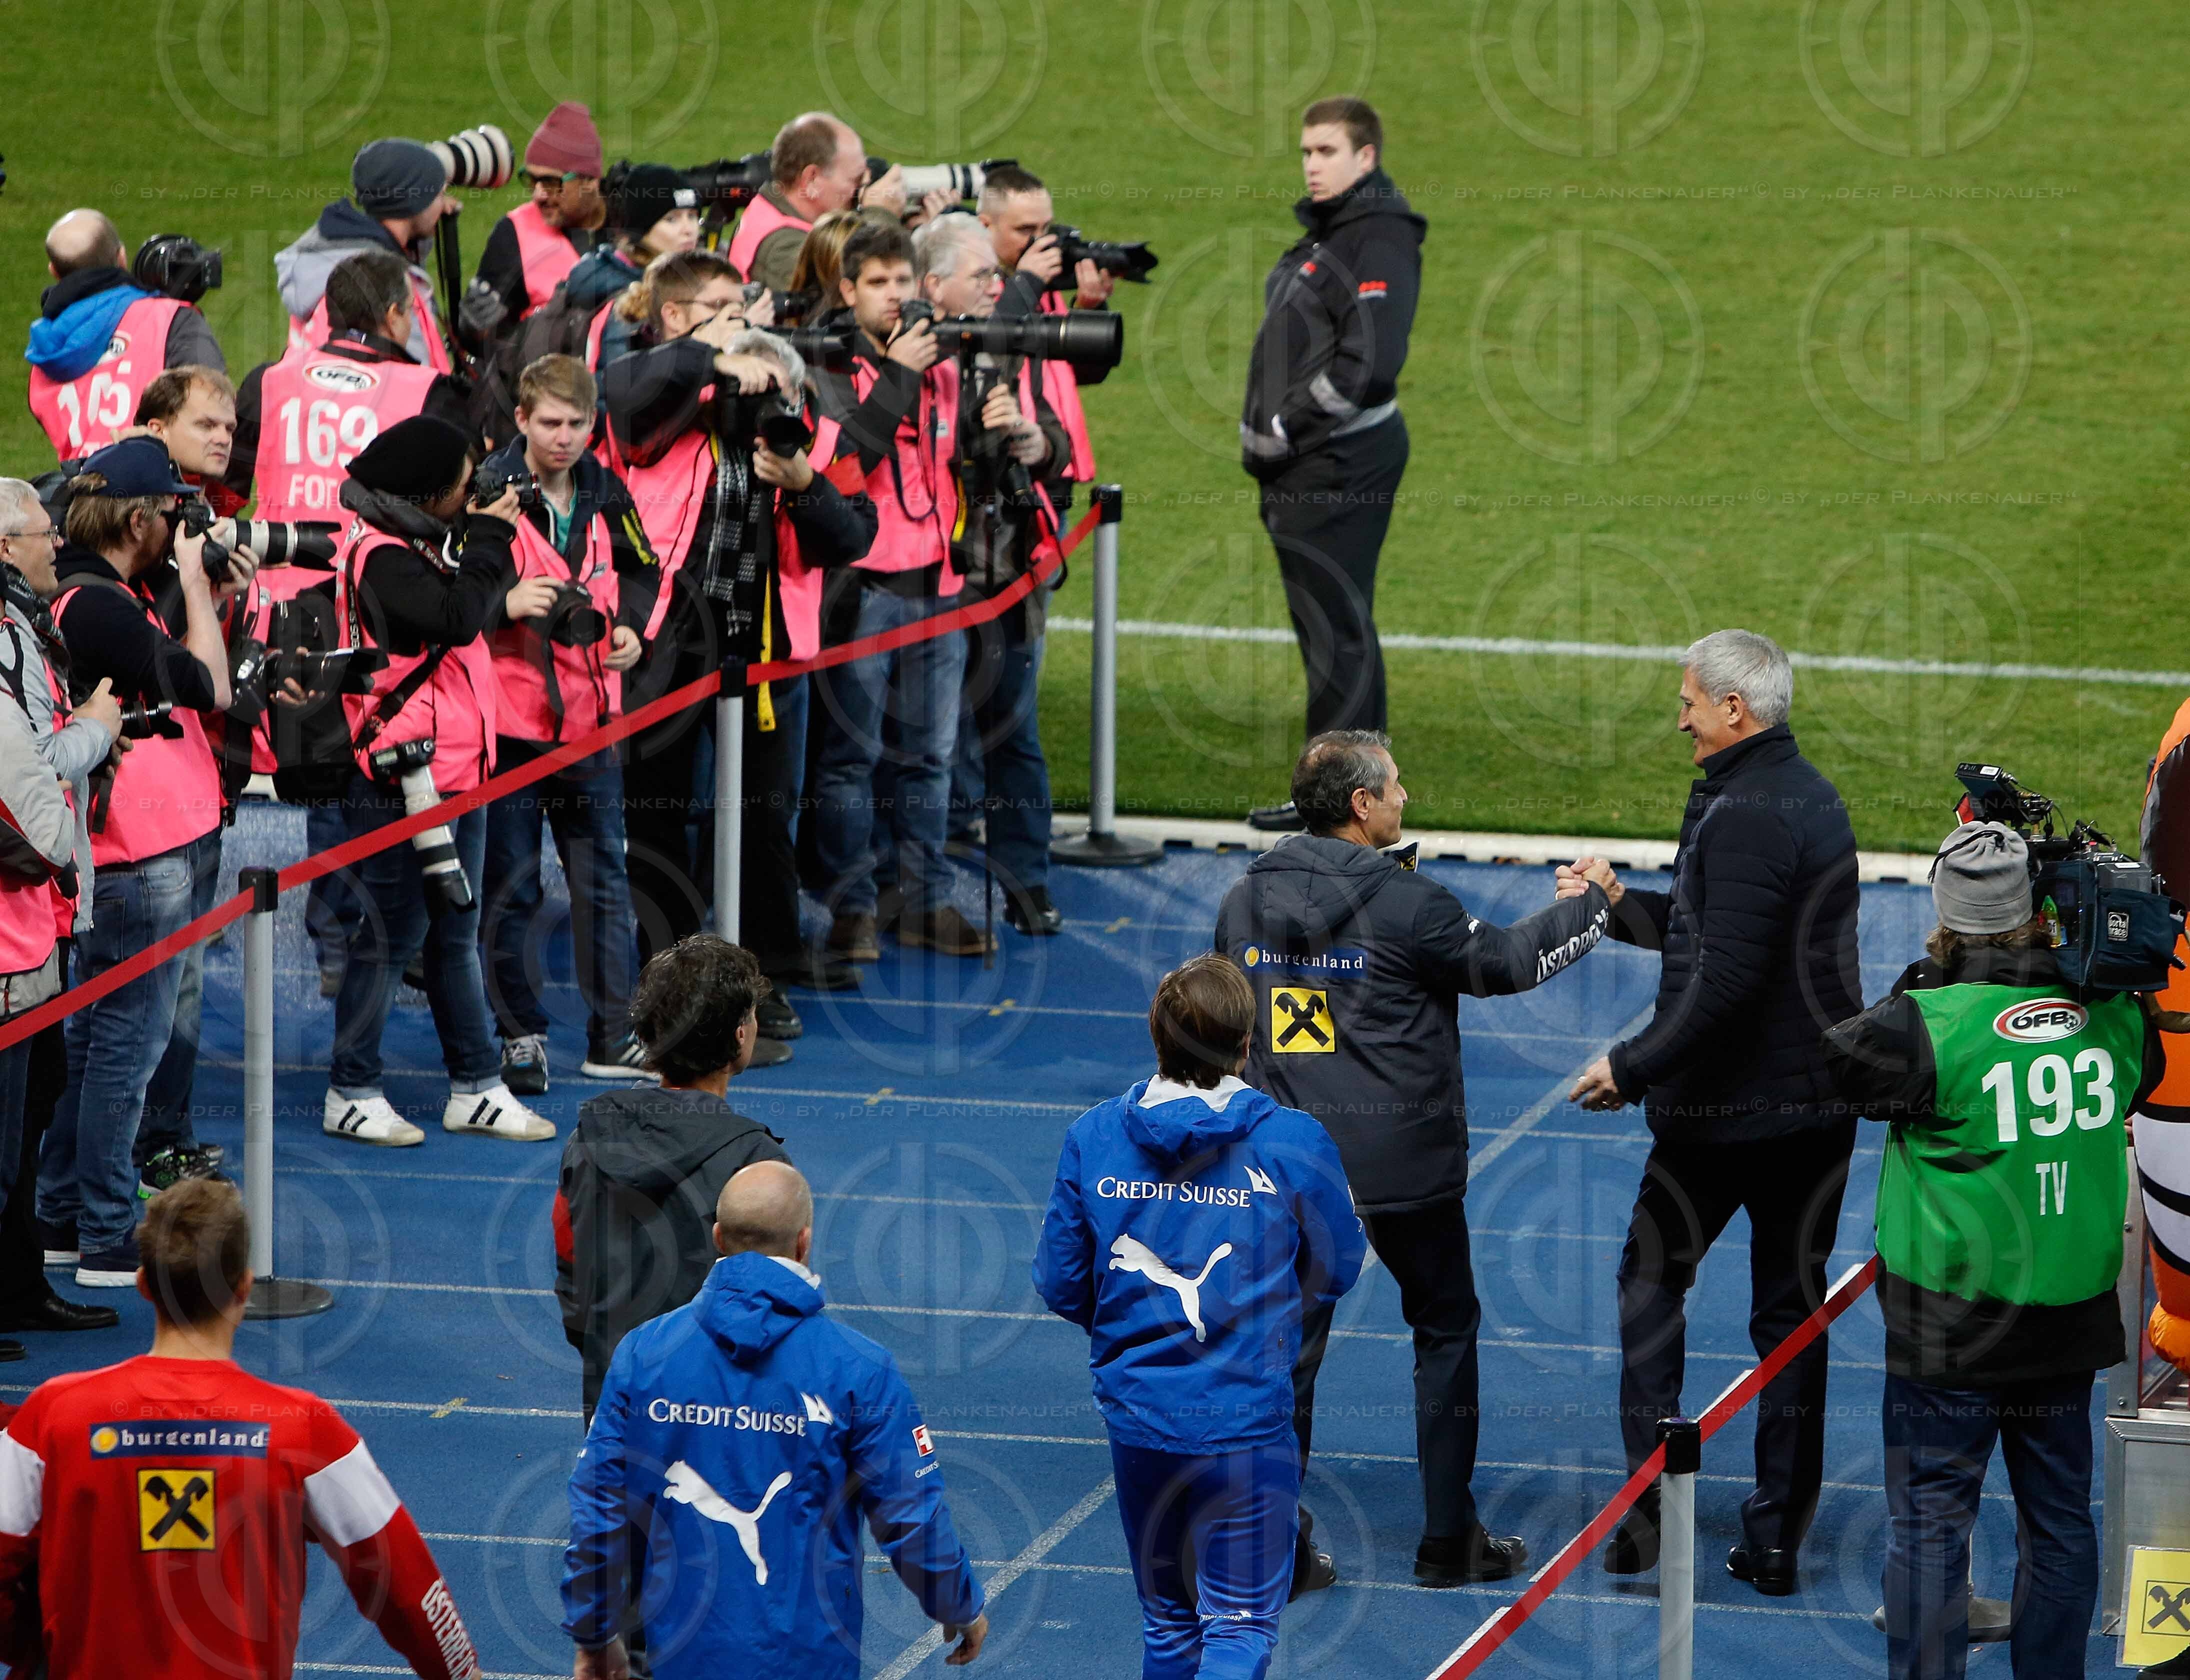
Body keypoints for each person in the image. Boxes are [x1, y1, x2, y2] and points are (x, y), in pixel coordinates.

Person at [1216, 729, 1610, 1589]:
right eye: (1396, 787)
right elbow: (1507, 963)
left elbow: (1229, 1028)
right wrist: (1592, 907)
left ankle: (1271, 1548)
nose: (1407, 799)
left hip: (1289, 1169)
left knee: (1288, 1355)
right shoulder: (1411, 904)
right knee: (1443, 1328)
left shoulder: (1245, 900)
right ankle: (1446, 1540)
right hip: (1403, 1172)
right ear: (1362, 807)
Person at [1564, 628, 1863, 1596]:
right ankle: (1776, 1540)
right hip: (1814, 1114)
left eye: (1690, 698)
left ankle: (1649, 1512)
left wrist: (1632, 1066)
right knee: (1791, 1319)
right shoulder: (1803, 797)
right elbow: (1717, 934)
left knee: (1650, 1288)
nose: (1680, 713)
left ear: (1737, 709)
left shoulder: (1742, 813)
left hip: (1725, 1120)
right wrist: (1619, 905)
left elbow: (1724, 978)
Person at [1820, 822, 2156, 1680]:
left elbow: (1842, 1061)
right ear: (2043, 908)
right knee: (2059, 1521)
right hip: (2069, 1324)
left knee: (1932, 1522)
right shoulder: (2116, 1013)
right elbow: (2142, 1071)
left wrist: (1943, 973)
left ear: (1944, 913)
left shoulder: (1922, 1021)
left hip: (1951, 1325)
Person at [0, 1179, 484, 1678]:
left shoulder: (51, 1414)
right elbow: (409, 1589)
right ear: (245, 1288)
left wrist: (28, 1649)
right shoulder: (306, 1429)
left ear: (144, 1285)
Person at [1035, 954, 1365, 1673]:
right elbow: (1338, 1267)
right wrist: (1265, 1316)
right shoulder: (1293, 1142)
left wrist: (1135, 1331)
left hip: (1140, 1417)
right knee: (1240, 1629)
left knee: (1168, 1624)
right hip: (1244, 1419)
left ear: (1155, 1036)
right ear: (1247, 1044)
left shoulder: (1094, 1136)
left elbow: (1062, 1283)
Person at [562, 1159, 988, 1679]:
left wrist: (594, 1632)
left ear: (718, 1238)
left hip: (679, 1651)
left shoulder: (644, 1354)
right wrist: (957, 1604)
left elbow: (600, 1507)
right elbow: (911, 1513)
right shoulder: (859, 1368)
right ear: (804, 1243)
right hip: (809, 1655)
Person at [604, 255, 876, 1004]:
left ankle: (766, 975)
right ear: (673, 319)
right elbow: (618, 396)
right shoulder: (660, 403)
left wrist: (805, 487)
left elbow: (857, 536)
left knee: (763, 820)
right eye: (715, 306)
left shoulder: (808, 434)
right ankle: (671, 981)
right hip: (666, 643)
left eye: (739, 306)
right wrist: (711, 361)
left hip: (765, 652)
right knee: (662, 822)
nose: (737, 317)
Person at [41, 438, 241, 1286]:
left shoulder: (107, 591)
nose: (178, 526)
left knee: (97, 1042)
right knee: (126, 1044)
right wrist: (196, 582)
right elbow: (208, 688)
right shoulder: (94, 605)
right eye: (169, 512)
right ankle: (105, 1228)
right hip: (139, 851)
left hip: (149, 843)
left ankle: (61, 1212)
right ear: (135, 519)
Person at [322, 415, 553, 1148]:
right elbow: (458, 619)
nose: (474, 490)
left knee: (456, 934)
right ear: (428, 493)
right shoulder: (382, 556)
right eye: (464, 482)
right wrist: (489, 535)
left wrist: (478, 531)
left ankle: (477, 1086)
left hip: (456, 771)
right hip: (406, 778)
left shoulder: (417, 538)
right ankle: (350, 1090)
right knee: (389, 937)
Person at [810, 220, 993, 960]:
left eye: (900, 282)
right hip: (863, 590)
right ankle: (851, 911)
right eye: (876, 284)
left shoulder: (941, 360)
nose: (892, 297)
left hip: (937, 586)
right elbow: (849, 458)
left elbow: (948, 461)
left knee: (929, 757)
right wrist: (901, 376)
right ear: (848, 289)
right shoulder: (825, 362)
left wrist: (993, 430)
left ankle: (922, 903)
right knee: (850, 760)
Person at [1239, 99, 1423, 833]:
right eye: (1305, 152)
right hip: (1314, 464)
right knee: (1337, 626)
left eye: (1326, 151)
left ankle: (1338, 806)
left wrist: (1287, 426)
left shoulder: (1376, 238)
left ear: (1366, 157)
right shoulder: (1340, 233)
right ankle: (1357, 794)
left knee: (1334, 628)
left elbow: (1371, 364)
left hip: (1336, 463)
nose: (1312, 165)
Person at [476, 353, 658, 1092]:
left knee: (605, 882)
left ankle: (614, 1033)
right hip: (513, 726)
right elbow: (445, 594)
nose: (564, 437)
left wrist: (635, 630)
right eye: (549, 422)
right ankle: (519, 1034)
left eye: (578, 424)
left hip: (591, 724)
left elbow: (643, 569)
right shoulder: (488, 492)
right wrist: (504, 605)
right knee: (512, 888)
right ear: (521, 420)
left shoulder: (606, 490)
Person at [553, 935, 790, 1418]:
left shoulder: (589, 1137)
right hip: (722, 1409)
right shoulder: (757, 1161)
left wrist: (602, 1347)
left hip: (615, 1394)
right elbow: (776, 1306)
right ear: (741, 1035)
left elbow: (570, 1263)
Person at [914, 212, 1072, 936]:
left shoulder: (1004, 347)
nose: (997, 287)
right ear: (934, 285)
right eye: (982, 275)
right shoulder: (904, 359)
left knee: (1014, 733)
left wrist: (1037, 443)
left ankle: (1026, 883)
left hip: (1004, 571)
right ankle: (917, 896)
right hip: (932, 581)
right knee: (923, 746)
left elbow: (1054, 436)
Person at [0, 482, 122, 1342]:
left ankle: (17, 1285)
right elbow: (34, 766)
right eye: (45, 535)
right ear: (8, 546)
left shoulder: (21, 626)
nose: (57, 546)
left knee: (32, 1113)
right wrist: (98, 729)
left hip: (34, 927)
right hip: (12, 935)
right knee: (6, 1131)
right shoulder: (7, 638)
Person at [26, 210, 226, 460]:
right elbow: (215, 407)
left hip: (81, 492)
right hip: (158, 493)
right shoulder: (172, 318)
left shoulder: (43, 354)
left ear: (54, 270)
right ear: (122, 257)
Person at [277, 138, 458, 372]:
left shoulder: (327, 263)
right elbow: (415, 381)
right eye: (439, 194)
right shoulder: (385, 285)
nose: (445, 207)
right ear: (414, 202)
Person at [730, 112, 908, 292]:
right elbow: (859, 291)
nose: (862, 189)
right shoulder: (783, 247)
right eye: (856, 179)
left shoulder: (773, 208)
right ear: (812, 180)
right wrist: (881, 214)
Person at [564, 166, 706, 372]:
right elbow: (617, 389)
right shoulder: (629, 302)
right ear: (641, 230)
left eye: (692, 216)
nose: (689, 230)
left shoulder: (675, 275)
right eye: (672, 219)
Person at [476, 102, 608, 322]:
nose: (539, 195)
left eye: (550, 182)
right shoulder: (513, 234)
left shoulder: (633, 224)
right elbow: (491, 342)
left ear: (590, 181)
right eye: (532, 180)